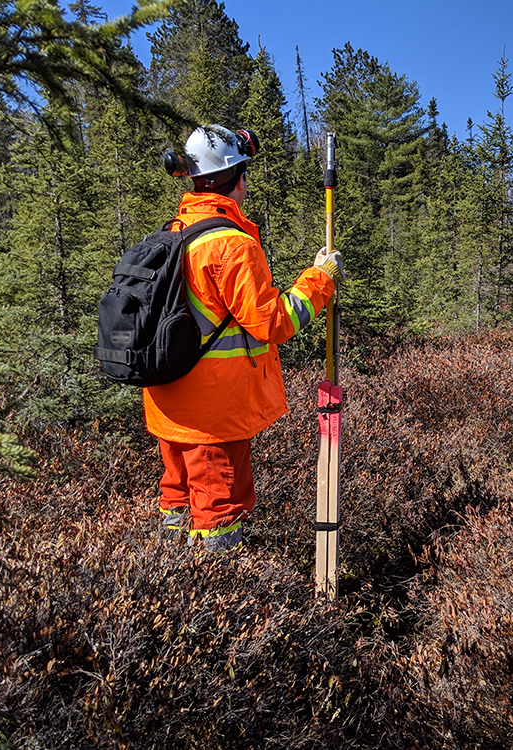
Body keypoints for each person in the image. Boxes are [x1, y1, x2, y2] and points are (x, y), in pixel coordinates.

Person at [146, 124, 343, 551]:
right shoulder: (229, 245)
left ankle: (166, 578)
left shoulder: (172, 232)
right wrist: (320, 280)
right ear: (237, 179)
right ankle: (216, 596)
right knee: (219, 512)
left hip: (168, 403)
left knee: (177, 500)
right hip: (212, 415)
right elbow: (272, 322)